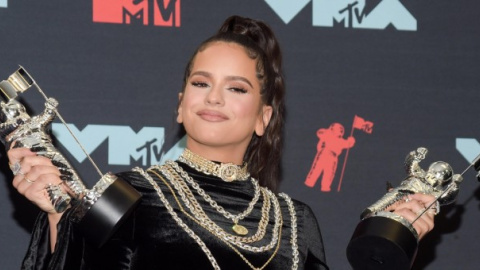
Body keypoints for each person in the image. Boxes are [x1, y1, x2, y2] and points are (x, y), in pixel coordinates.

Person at [7, 15, 436, 270]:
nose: (214, 97)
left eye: (236, 88)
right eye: (201, 82)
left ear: (263, 118)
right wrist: (59, 216)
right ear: (180, 105)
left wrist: (391, 245)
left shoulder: (294, 221)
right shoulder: (128, 194)